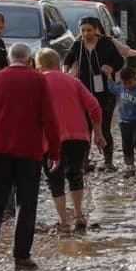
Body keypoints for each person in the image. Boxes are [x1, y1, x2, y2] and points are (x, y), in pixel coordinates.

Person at [0, 43, 60, 271]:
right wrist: (55, 152)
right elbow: (50, 119)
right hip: (30, 153)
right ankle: (21, 256)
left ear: (9, 60)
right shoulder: (38, 81)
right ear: (29, 61)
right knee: (26, 205)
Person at [35, 48, 103, 231]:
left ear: (38, 67)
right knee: (75, 174)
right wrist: (98, 133)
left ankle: (64, 222)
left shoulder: (37, 83)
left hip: (50, 140)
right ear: (58, 65)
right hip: (79, 137)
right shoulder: (73, 81)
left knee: (54, 179)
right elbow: (94, 107)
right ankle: (79, 215)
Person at [63, 16, 125, 171]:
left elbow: (120, 61)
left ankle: (108, 161)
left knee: (104, 127)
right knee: (85, 128)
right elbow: (67, 60)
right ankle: (84, 162)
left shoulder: (106, 44)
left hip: (105, 92)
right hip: (83, 92)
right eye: (83, 30)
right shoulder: (77, 45)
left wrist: (110, 67)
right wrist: (66, 73)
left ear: (96, 30)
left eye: (89, 30)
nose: (86, 33)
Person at [110, 67, 136, 176]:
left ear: (135, 79)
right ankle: (129, 166)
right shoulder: (121, 88)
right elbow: (112, 88)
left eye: (130, 82)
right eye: (125, 83)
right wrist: (109, 77)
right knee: (126, 144)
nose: (128, 85)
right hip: (124, 122)